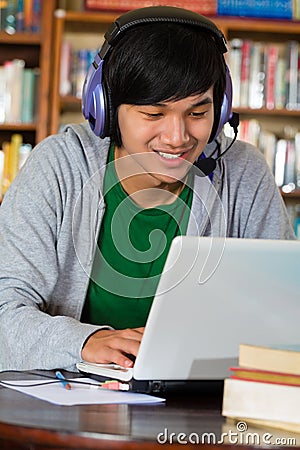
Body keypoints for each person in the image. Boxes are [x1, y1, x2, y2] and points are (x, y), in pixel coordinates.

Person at [0, 6, 295, 372]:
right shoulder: (60, 167)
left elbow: (283, 313)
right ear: (107, 109)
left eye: (198, 113)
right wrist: (84, 342)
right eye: (153, 115)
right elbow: (3, 313)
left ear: (219, 112)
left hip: (199, 407)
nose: (178, 138)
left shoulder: (244, 173)